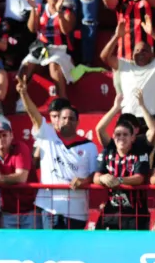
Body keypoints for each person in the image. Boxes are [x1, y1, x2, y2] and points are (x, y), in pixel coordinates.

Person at [17, 76, 98, 229]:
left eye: (71, 118)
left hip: (77, 211)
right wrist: (24, 94)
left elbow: (95, 174)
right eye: (64, 118)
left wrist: (84, 181)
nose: (67, 121)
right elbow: (34, 116)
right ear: (57, 120)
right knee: (50, 244)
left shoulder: (89, 146)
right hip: (50, 207)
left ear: (78, 122)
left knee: (73, 245)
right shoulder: (48, 135)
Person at [101, 14, 155, 117]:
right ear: (132, 55)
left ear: (152, 54)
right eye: (137, 51)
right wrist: (117, 36)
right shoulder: (124, 65)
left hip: (152, 118)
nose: (140, 53)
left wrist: (153, 34)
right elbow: (104, 57)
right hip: (128, 119)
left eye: (144, 51)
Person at [0, 119, 38, 228]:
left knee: (33, 239)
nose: (1, 139)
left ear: (11, 136)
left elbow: (21, 177)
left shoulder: (21, 147)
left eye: (4, 135)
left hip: (30, 210)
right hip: (7, 211)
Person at [94, 117, 152, 230]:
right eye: (118, 134)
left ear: (132, 138)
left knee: (133, 241)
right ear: (113, 137)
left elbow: (139, 178)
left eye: (125, 134)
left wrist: (119, 180)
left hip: (135, 211)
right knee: (100, 238)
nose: (121, 137)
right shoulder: (107, 152)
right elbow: (96, 176)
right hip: (112, 209)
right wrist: (102, 178)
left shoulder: (140, 152)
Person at [22, 0, 77, 99]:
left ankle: (63, 100)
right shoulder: (40, 8)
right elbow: (32, 29)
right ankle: (21, 99)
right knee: (26, 65)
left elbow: (65, 31)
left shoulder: (67, 11)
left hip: (61, 50)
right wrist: (33, 9)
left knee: (53, 64)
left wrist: (59, 12)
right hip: (42, 49)